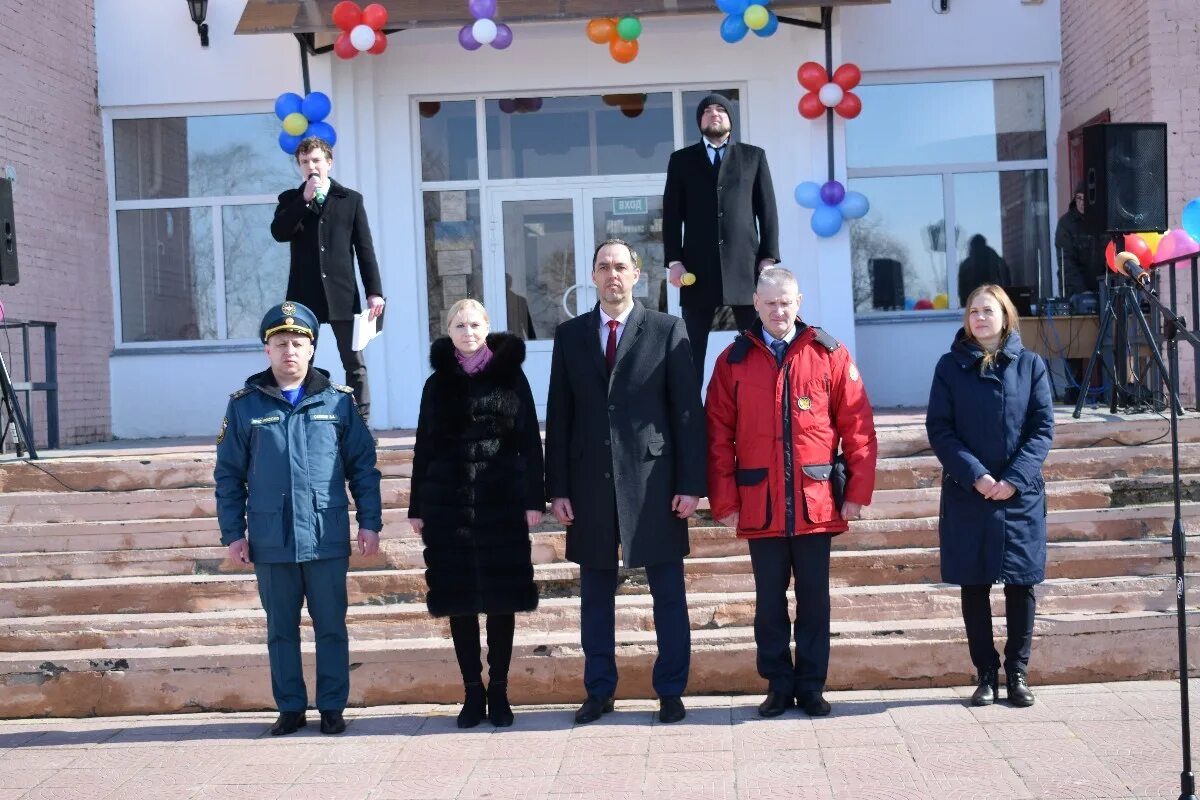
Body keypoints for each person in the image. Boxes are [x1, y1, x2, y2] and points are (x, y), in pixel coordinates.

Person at [545, 238, 706, 725]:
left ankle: (671, 690)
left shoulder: (666, 329)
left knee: (668, 594)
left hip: (654, 481)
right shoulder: (570, 336)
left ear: (637, 275)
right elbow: (560, 413)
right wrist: (559, 487)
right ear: (592, 277)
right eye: (603, 267)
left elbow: (686, 412)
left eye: (620, 267)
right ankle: (599, 690)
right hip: (590, 483)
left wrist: (691, 482)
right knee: (595, 596)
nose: (612, 275)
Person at [705, 267, 877, 718]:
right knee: (769, 604)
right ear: (756, 305)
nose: (778, 311)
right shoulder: (733, 360)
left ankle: (813, 686)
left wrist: (857, 490)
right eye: (769, 303)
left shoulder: (829, 354)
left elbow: (858, 425)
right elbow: (717, 436)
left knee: (815, 601)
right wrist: (724, 501)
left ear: (799, 302)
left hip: (814, 501)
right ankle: (779, 685)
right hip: (760, 504)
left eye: (786, 302)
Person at [214, 301, 382, 736]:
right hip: (271, 538)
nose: (289, 350)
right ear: (266, 351)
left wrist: (370, 522)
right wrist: (233, 534)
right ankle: (290, 707)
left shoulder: (339, 403)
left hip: (326, 535)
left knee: (331, 627)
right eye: (280, 343)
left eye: (298, 342)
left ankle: (331, 707)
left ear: (312, 349)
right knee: (280, 630)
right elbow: (229, 477)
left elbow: (363, 468)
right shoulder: (244, 407)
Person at [409, 299, 544, 729]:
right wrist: (417, 506)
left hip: (500, 500)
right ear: (449, 331)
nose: (468, 331)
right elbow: (423, 447)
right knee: (460, 602)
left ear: (488, 327)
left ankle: (500, 692)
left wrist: (532, 499)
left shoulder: (511, 378)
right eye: (459, 325)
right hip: (448, 507)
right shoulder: (436, 385)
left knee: (501, 601)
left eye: (475, 324)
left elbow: (530, 441)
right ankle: (472, 693)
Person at [926, 284, 1054, 708]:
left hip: (1020, 496)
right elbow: (940, 428)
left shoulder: (1032, 365)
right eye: (973, 311)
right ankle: (985, 674)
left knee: (1021, 584)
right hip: (969, 494)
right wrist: (977, 476)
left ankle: (1017, 673)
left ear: (1005, 316)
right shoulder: (949, 366)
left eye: (988, 311)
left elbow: (1042, 429)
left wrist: (1014, 477)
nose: (980, 318)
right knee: (974, 583)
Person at [663, 93, 780, 376]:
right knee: (690, 353)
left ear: (730, 119)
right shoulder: (681, 160)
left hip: (745, 266)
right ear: (699, 121)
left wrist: (768, 257)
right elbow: (671, 215)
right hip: (697, 269)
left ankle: (762, 409)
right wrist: (674, 260)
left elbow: (767, 211)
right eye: (706, 111)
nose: (713, 114)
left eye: (720, 110)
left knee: (757, 345)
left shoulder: (753, 157)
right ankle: (689, 417)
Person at [271, 137, 385, 424]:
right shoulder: (290, 200)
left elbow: (364, 249)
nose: (312, 166)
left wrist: (374, 291)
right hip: (304, 295)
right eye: (305, 162)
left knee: (354, 363)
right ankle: (300, 420)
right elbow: (280, 232)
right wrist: (304, 201)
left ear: (329, 163)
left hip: (342, 295)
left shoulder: (350, 200)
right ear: (299, 167)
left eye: (317, 160)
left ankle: (361, 423)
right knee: (299, 361)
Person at [1055, 181, 1105, 298]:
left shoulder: (1103, 221)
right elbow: (1066, 262)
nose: (1082, 203)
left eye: (1085, 199)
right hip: (1075, 291)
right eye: (1079, 198)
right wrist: (1082, 291)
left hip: (1103, 289)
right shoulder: (1066, 224)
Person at [957, 234, 1012, 308]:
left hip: (975, 303)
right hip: (994, 302)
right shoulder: (995, 259)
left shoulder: (967, 264)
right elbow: (1006, 281)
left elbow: (962, 291)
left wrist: (965, 307)